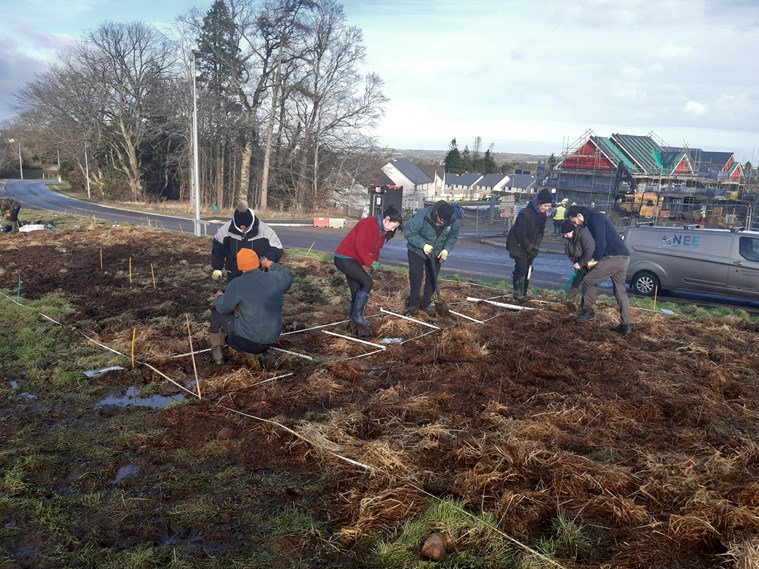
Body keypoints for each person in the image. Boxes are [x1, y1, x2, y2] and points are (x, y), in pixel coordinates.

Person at [209, 249, 293, 364]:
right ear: (258, 262)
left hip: (247, 342)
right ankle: (263, 352)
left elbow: (222, 308)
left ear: (239, 265)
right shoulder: (275, 278)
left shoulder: (237, 284)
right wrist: (269, 263)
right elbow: (288, 275)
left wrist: (219, 297)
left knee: (216, 312)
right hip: (271, 340)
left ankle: (217, 356)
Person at [334, 206, 403, 335]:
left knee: (357, 292)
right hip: (344, 258)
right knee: (367, 283)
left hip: (353, 261)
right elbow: (359, 245)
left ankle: (354, 328)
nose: (393, 230)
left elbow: (375, 249)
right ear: (387, 219)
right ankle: (358, 317)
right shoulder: (368, 223)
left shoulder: (382, 231)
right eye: (393, 226)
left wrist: (374, 263)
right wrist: (369, 262)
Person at [566, 205, 634, 335]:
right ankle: (626, 324)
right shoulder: (595, 219)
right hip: (623, 257)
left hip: (614, 257)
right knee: (620, 291)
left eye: (574, 222)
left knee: (589, 280)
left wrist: (593, 262)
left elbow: (601, 244)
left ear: (579, 216)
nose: (575, 225)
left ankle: (588, 311)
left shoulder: (595, 218)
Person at [404, 200, 459, 315]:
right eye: (441, 219)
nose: (442, 222)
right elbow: (409, 232)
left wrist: (446, 250)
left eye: (445, 221)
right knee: (416, 277)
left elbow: (453, 235)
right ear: (436, 213)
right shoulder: (423, 216)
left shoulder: (452, 220)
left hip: (436, 252)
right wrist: (423, 245)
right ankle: (414, 305)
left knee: (432, 279)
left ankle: (425, 305)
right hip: (417, 250)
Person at [211, 200, 284, 283]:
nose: (243, 230)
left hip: (259, 273)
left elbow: (277, 248)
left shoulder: (265, 231)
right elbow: (218, 250)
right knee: (234, 293)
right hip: (234, 273)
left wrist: (266, 262)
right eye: (240, 228)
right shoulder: (225, 231)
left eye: (246, 228)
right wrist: (217, 268)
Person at [506, 188, 553, 301]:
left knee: (529, 268)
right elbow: (521, 234)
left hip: (529, 244)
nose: (547, 209)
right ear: (539, 203)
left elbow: (540, 232)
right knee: (521, 268)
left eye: (549, 206)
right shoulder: (525, 214)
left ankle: (524, 292)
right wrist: (528, 248)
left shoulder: (542, 216)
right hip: (517, 244)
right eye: (545, 206)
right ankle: (517, 292)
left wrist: (535, 248)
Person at [561, 218, 596, 299]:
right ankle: (570, 298)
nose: (564, 236)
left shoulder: (583, 235)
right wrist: (576, 262)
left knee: (588, 280)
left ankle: (587, 302)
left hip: (592, 260)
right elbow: (570, 254)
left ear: (572, 231)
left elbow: (590, 251)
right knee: (577, 279)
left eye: (566, 233)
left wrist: (580, 264)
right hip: (580, 261)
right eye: (563, 234)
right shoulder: (567, 240)